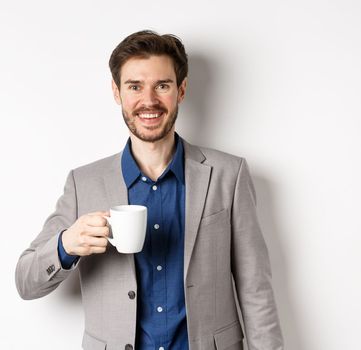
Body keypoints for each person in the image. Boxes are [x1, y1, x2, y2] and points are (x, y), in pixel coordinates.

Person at [14, 30, 284, 350]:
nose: (149, 100)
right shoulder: (83, 183)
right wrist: (66, 244)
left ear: (181, 90)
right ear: (117, 92)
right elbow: (25, 282)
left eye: (162, 85)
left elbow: (256, 290)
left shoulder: (229, 174)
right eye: (134, 86)